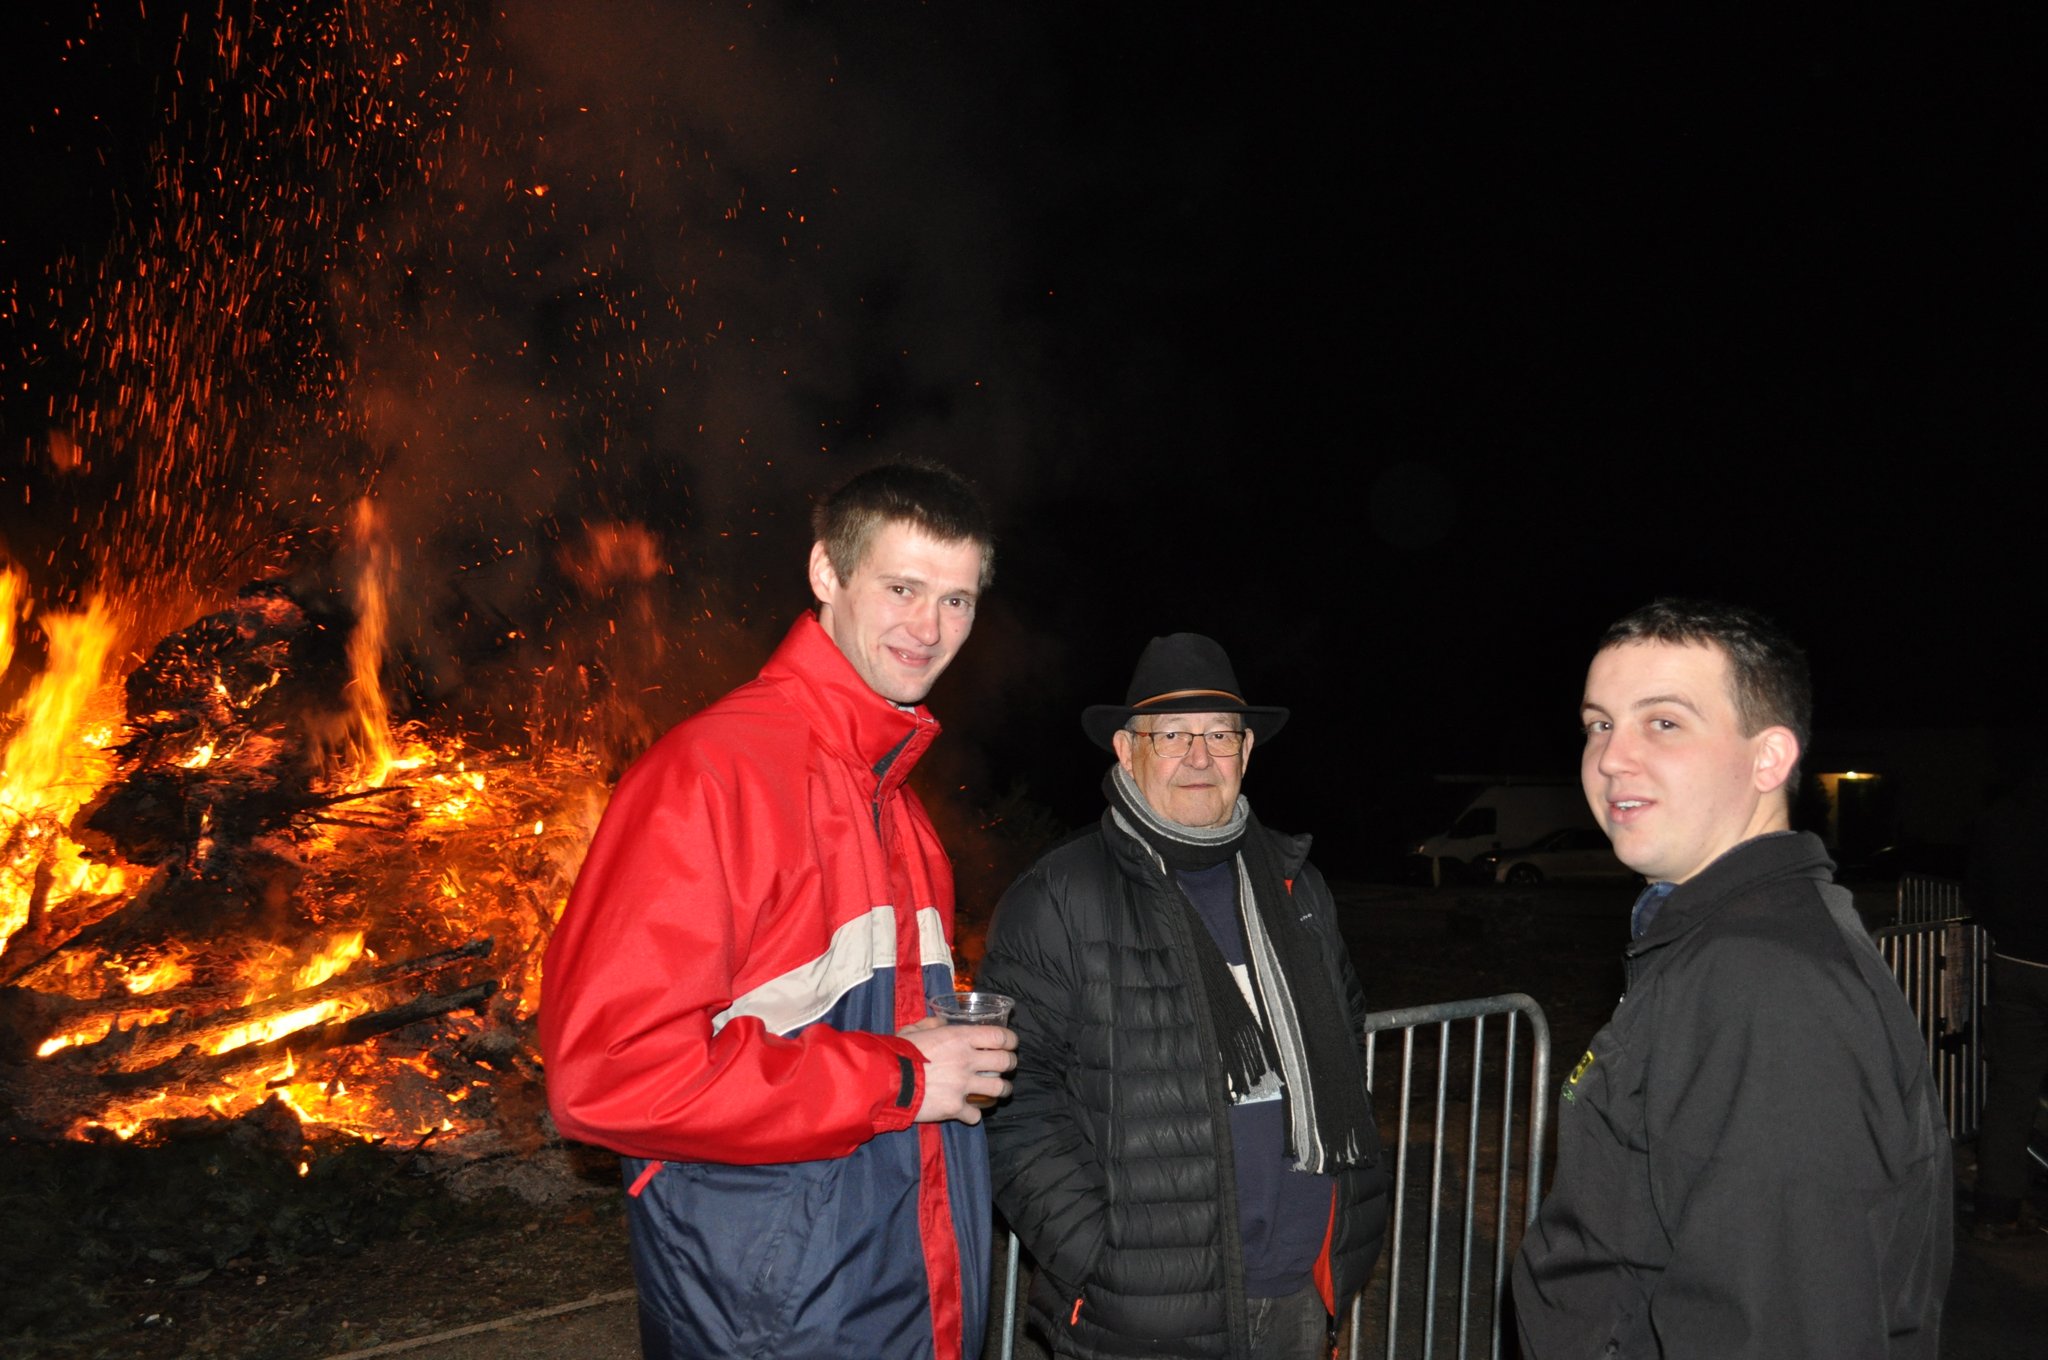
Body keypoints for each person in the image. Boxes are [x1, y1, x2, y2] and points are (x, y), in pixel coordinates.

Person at [539, 460, 1017, 1360]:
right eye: (903, 588)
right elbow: (605, 1074)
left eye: (956, 600)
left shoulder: (899, 806)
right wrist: (903, 1078)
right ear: (827, 573)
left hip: (900, 1299)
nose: (929, 628)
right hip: (770, 1323)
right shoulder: (712, 775)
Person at [1513, 599, 1952, 1359]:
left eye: (1664, 722)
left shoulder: (1768, 983)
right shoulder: (1718, 939)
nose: (1611, 757)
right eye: (1599, 724)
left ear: (1768, 759)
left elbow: (1785, 1324)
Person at [978, 633, 1389, 1360]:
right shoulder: (1061, 897)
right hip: (1143, 1312)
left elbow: (1346, 1037)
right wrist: (1096, 1258)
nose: (1200, 757)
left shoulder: (1297, 889)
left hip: (1303, 1291)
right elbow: (1014, 1097)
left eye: (1220, 735)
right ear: (1126, 749)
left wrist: (1347, 1241)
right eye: (1172, 734)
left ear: (1246, 751)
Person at [1965, 763, 2048, 1243]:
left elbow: (1978, 893)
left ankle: (1996, 1210)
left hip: (2014, 963)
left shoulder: (1999, 818)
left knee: (2012, 1089)